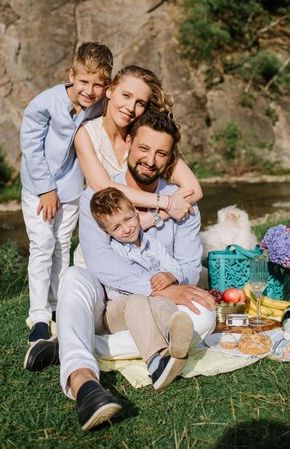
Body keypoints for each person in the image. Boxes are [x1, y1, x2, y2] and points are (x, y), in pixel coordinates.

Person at [24, 111, 216, 431]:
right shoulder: (97, 199)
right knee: (74, 276)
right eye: (143, 148)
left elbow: (189, 266)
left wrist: (174, 281)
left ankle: (73, 341)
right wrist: (158, 287)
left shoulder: (181, 203)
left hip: (157, 306)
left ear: (169, 160)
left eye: (160, 153)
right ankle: (84, 384)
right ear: (128, 144)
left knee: (204, 317)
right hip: (106, 302)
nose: (150, 160)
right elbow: (102, 266)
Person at [20, 41, 113, 344]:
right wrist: (46, 189)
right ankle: (39, 315)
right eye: (84, 81)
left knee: (62, 245)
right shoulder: (43, 104)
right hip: (38, 188)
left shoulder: (99, 106)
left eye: (98, 85)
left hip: (72, 188)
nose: (89, 90)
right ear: (71, 75)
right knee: (43, 243)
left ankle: (60, 306)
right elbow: (31, 149)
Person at [72, 65, 203, 268]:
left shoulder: (146, 139)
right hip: (104, 247)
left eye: (140, 102)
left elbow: (194, 190)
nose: (131, 107)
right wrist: (167, 204)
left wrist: (154, 217)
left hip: (147, 249)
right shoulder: (86, 135)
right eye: (126, 95)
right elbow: (104, 187)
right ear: (109, 90)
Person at [90, 186, 194, 392]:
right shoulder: (113, 251)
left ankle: (174, 340)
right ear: (106, 232)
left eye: (128, 219)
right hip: (118, 310)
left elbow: (174, 266)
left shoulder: (152, 244)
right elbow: (118, 289)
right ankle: (155, 363)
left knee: (163, 301)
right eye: (116, 228)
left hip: (151, 303)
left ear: (136, 214)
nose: (126, 229)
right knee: (139, 300)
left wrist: (170, 275)